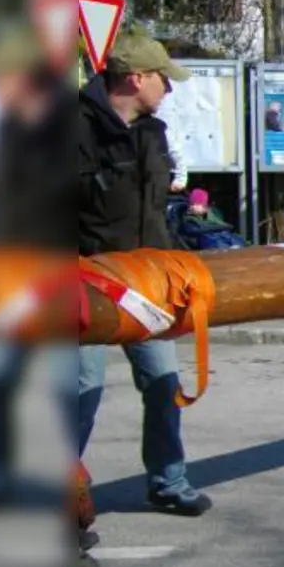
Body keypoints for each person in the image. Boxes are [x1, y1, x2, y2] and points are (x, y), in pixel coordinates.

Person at [76, 28, 212, 517]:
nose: (169, 88)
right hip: (84, 284)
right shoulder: (73, 128)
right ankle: (60, 499)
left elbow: (153, 209)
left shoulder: (152, 131)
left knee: (163, 386)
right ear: (135, 79)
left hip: (147, 282)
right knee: (80, 395)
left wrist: (175, 256)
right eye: (162, 79)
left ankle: (168, 482)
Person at [0, 28, 82, 535]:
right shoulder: (10, 134)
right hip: (12, 278)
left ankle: (66, 500)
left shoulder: (65, 133)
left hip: (55, 279)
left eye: (0, 80)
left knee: (63, 389)